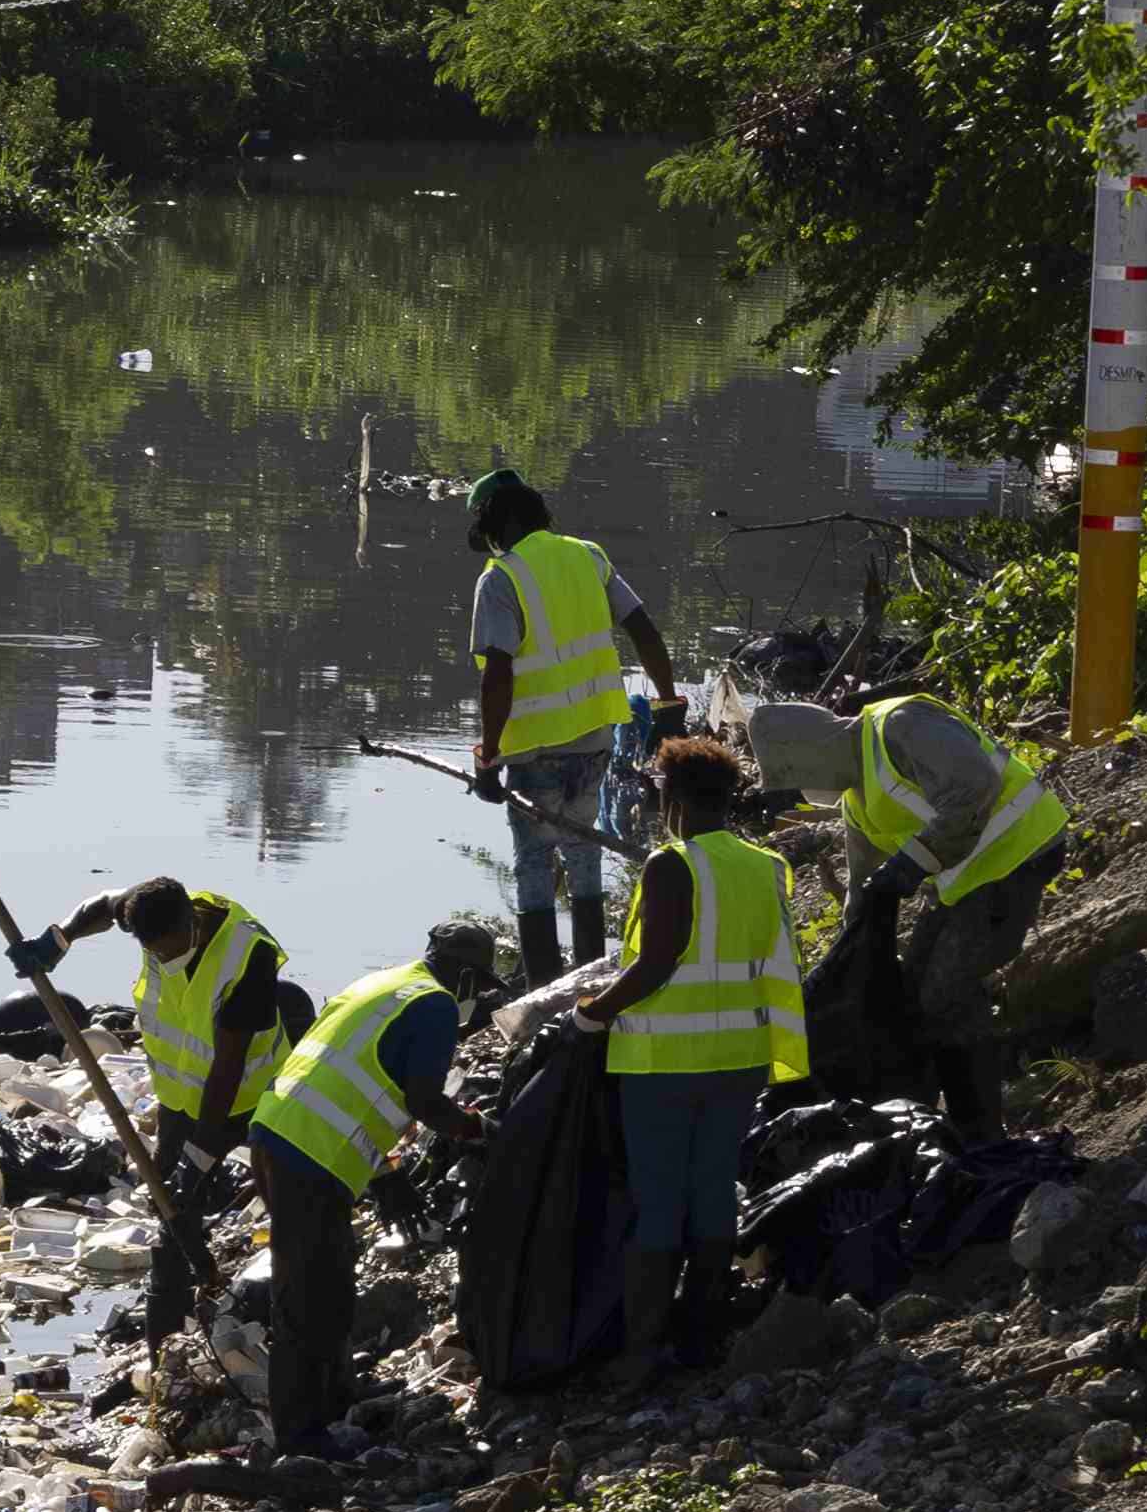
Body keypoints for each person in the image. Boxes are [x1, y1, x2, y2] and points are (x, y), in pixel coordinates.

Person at [570, 733, 808, 1380]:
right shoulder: (764, 866)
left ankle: (643, 1352)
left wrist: (592, 1014)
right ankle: (700, 1339)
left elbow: (658, 961)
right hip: (740, 1057)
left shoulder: (672, 865)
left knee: (658, 1200)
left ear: (671, 797)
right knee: (711, 1194)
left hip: (666, 1065)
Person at [748, 690, 1070, 1148]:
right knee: (912, 989)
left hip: (1023, 852)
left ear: (815, 753)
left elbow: (974, 786)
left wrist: (909, 864)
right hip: (971, 881)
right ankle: (934, 1120)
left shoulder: (902, 724)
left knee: (946, 991)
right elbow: (862, 889)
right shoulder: (857, 802)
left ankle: (980, 1132)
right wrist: (846, 954)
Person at [241, 918, 507, 1452]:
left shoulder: (379, 984)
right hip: (310, 1155)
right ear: (463, 974)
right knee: (307, 1295)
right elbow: (425, 1102)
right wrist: (483, 1131)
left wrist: (386, 1173)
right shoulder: (433, 1005)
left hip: (280, 1134)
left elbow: (348, 1078)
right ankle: (301, 1436)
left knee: (334, 1278)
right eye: (477, 986)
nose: (475, 999)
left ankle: (338, 1395)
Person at [6, 876, 310, 1335]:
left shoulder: (249, 957)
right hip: (178, 1098)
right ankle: (169, 1332)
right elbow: (104, 903)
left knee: (283, 1200)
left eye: (168, 949)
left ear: (191, 920)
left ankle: (293, 1309)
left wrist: (200, 1156)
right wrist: (57, 940)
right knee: (174, 1214)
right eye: (154, 952)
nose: (163, 959)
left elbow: (227, 1068)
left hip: (252, 1097)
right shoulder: (149, 911)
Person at [462, 468, 687, 989]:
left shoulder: (501, 578)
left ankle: (544, 986)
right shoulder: (589, 555)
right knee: (585, 850)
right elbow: (643, 628)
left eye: (489, 525)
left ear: (505, 519)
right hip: (593, 739)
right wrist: (669, 697)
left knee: (534, 863)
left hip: (532, 750)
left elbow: (498, 673)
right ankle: (590, 974)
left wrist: (488, 756)